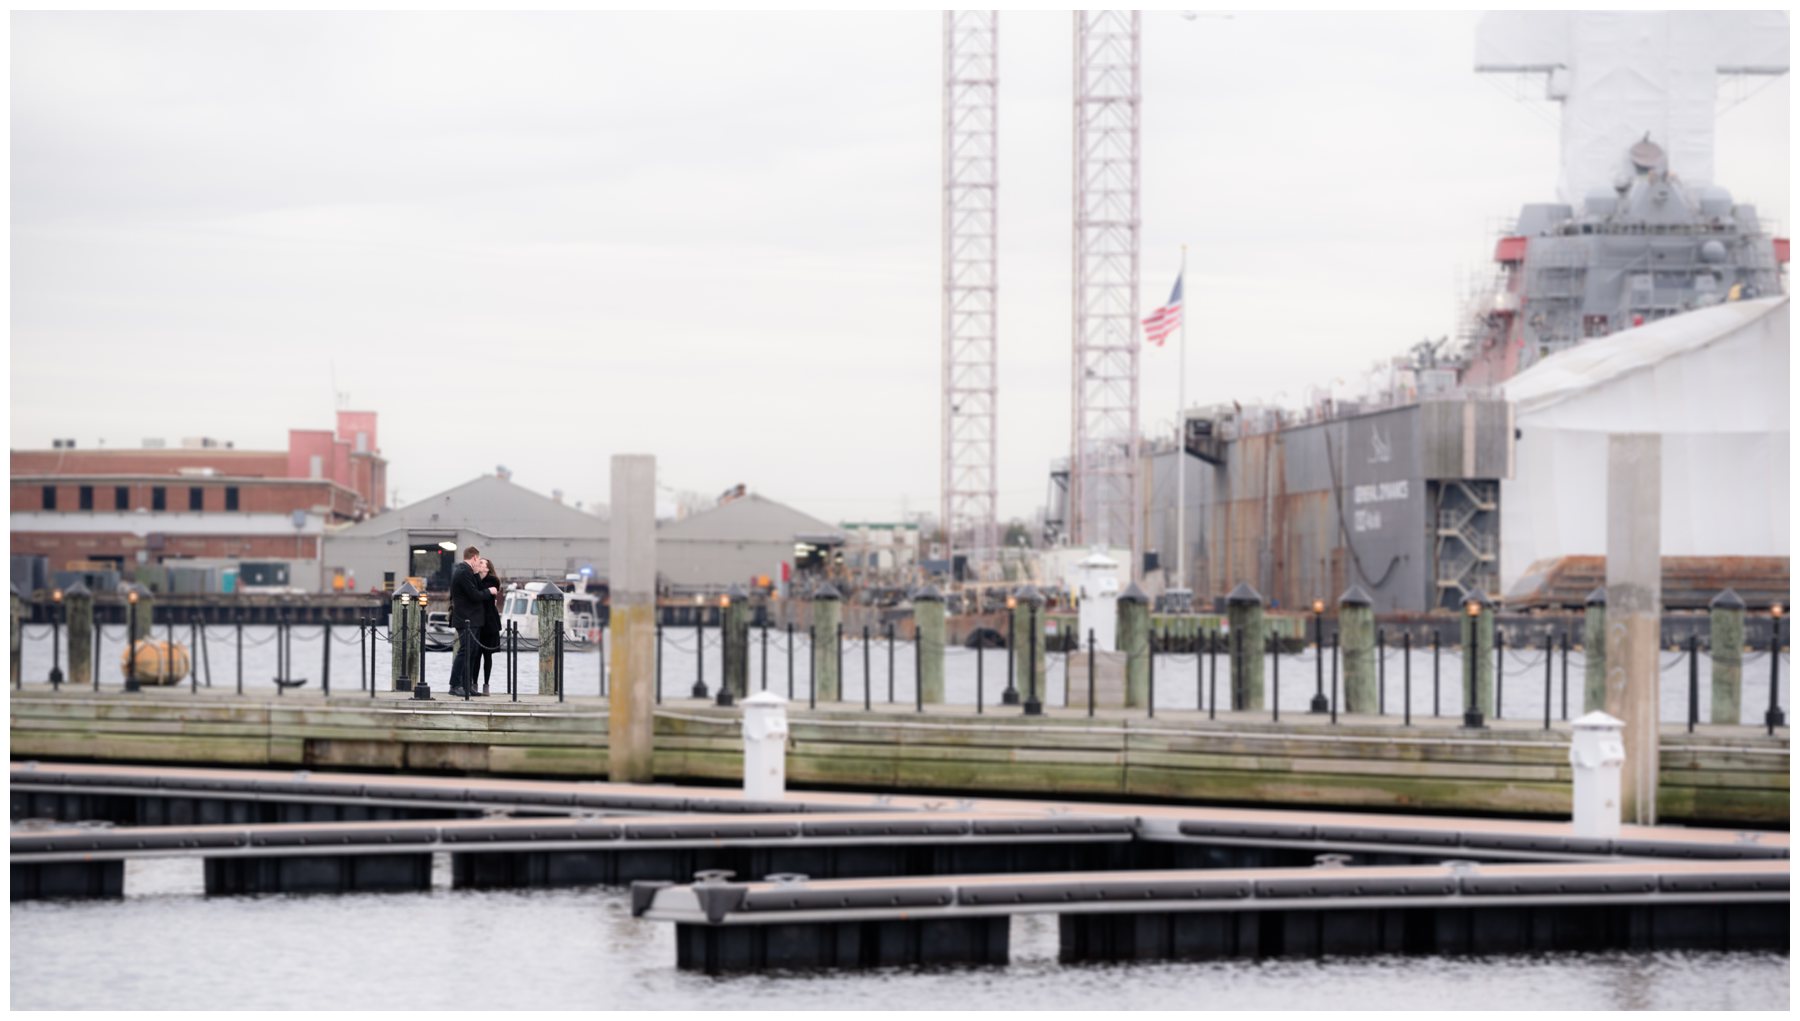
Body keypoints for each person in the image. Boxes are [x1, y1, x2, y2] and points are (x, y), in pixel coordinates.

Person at [449, 546, 498, 697]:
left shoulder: (469, 571)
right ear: (475, 558)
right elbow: (474, 595)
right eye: (479, 560)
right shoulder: (463, 571)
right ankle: (455, 685)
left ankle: (467, 685)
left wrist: (477, 573)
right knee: (465, 651)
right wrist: (489, 591)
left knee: (473, 651)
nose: (480, 563)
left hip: (473, 619)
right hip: (465, 618)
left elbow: (476, 587)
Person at [479, 558, 503, 694]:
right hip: (478, 620)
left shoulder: (493, 580)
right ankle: (474, 683)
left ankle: (486, 685)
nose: (479, 564)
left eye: (482, 563)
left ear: (488, 568)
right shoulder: (476, 579)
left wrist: (487, 590)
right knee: (475, 655)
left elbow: (481, 593)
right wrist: (489, 591)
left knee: (487, 655)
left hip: (489, 621)